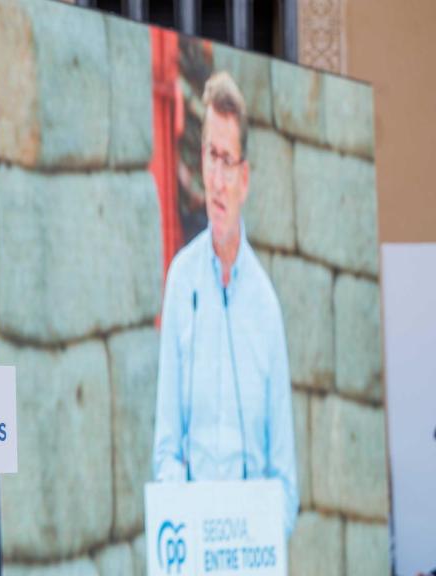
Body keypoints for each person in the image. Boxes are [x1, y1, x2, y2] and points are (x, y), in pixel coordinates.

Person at [151, 71, 298, 535]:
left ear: (244, 177)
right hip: (194, 549)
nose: (215, 180)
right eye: (209, 157)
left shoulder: (266, 307)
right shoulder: (181, 282)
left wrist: (252, 527)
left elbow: (285, 482)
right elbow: (166, 450)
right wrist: (196, 519)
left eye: (227, 161)